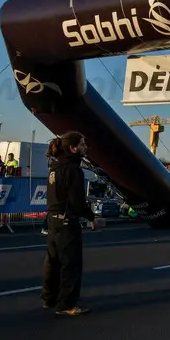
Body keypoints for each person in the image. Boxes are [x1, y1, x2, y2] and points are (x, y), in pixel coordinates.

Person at [41, 132, 99, 316]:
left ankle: (49, 298)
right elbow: (77, 201)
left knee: (53, 260)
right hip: (67, 220)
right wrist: (91, 217)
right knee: (71, 263)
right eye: (82, 144)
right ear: (73, 148)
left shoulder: (55, 167)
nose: (85, 147)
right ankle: (66, 304)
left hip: (53, 218)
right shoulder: (73, 169)